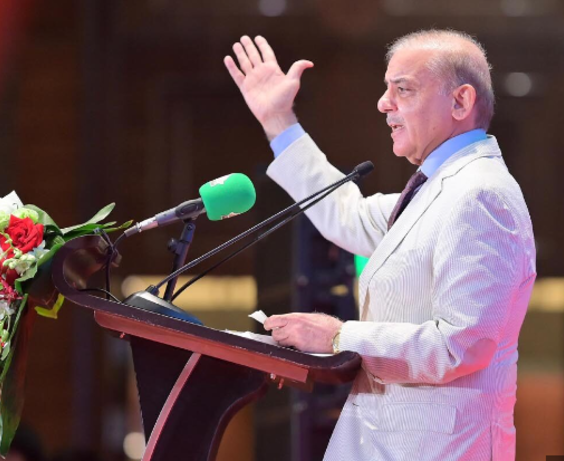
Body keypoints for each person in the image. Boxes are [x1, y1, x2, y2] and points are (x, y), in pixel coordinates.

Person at [224, 31, 536, 460]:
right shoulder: (441, 188)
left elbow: (459, 346)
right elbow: (346, 214)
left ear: (460, 102)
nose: (383, 103)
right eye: (387, 88)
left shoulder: (480, 196)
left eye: (403, 89)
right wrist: (278, 120)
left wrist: (338, 336)